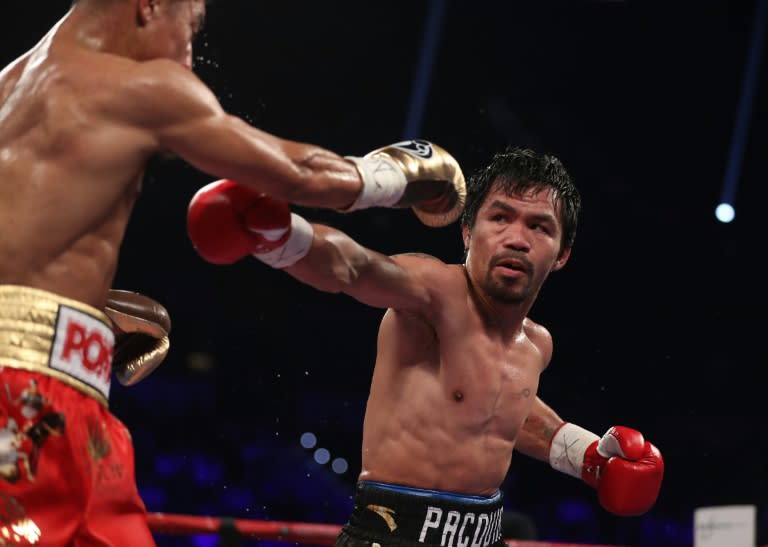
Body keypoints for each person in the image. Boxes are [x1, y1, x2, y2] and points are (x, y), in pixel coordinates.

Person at [0, 0, 464, 544]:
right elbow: (304, 175)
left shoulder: (9, 89)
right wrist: (400, 172)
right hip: (30, 401)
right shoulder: (141, 87)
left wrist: (81, 321)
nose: (189, 59)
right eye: (190, 28)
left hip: (65, 404)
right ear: (151, 6)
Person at [187, 145, 665, 547]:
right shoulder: (432, 293)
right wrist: (279, 236)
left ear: (561, 254)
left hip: (484, 534)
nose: (516, 239)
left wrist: (585, 455)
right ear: (466, 232)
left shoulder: (537, 344)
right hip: (392, 534)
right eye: (500, 218)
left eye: (539, 227)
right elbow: (353, 267)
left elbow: (503, 405)